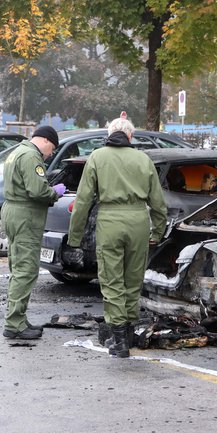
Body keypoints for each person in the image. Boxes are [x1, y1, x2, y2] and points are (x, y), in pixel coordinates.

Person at [67, 118, 167, 358]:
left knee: (112, 281)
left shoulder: (98, 157)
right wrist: (157, 232)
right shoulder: (144, 159)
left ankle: (119, 340)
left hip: (110, 221)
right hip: (138, 222)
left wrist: (75, 237)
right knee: (133, 280)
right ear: (130, 137)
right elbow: (158, 203)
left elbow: (83, 200)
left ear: (109, 134)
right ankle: (129, 333)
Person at [2, 126, 66, 340]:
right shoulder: (31, 156)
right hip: (25, 216)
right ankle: (14, 324)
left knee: (17, 267)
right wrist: (54, 193)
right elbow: (37, 191)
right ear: (46, 141)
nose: (49, 155)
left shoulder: (16, 152)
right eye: (52, 150)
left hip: (12, 212)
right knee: (26, 270)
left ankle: (17, 317)